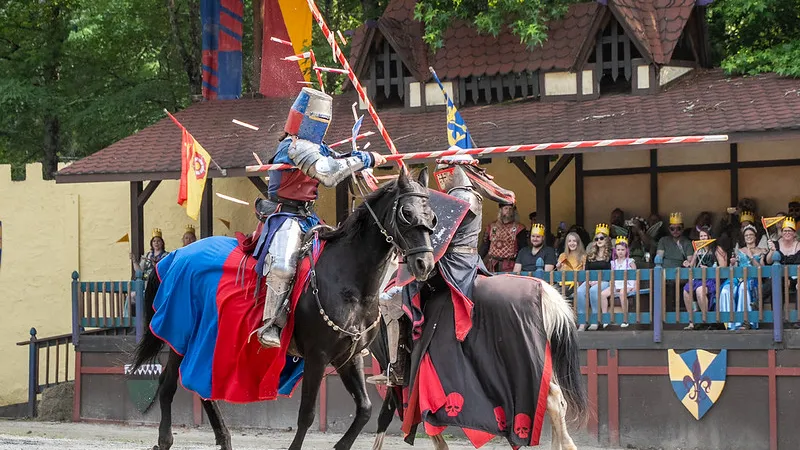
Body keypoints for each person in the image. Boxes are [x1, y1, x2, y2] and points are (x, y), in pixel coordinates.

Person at [253, 88, 386, 348]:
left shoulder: (318, 147)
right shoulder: (294, 147)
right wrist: (366, 158)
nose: (320, 125)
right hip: (286, 215)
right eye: (317, 119)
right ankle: (270, 323)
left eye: (324, 120)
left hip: (309, 218)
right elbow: (328, 173)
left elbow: (339, 160)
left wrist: (362, 161)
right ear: (302, 118)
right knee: (283, 266)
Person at [682, 227, 727, 330]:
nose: (702, 238)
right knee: (686, 290)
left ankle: (705, 320)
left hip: (712, 279)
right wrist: (687, 264)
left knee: (699, 291)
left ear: (709, 237)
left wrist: (709, 269)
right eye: (701, 236)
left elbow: (723, 266)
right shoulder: (698, 250)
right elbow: (692, 265)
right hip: (699, 278)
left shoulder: (716, 249)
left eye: (704, 236)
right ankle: (691, 321)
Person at [576, 223, 613, 331]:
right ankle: (582, 322)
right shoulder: (591, 254)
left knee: (593, 291)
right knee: (579, 291)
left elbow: (611, 270)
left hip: (605, 281)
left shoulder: (611, 254)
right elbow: (586, 269)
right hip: (590, 280)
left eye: (601, 238)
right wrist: (589, 280)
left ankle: (595, 320)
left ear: (606, 239)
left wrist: (598, 281)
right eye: (596, 239)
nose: (599, 240)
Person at [479, 201, 527, 272]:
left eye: (511, 209)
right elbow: (484, 247)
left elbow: (523, 249)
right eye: (506, 208)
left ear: (514, 211)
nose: (508, 211)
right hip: (492, 265)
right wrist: (477, 260)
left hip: (510, 265)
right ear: (501, 210)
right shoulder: (491, 227)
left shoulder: (519, 228)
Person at [600, 236, 637, 328]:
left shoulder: (630, 261)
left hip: (627, 284)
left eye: (623, 250)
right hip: (616, 284)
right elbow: (612, 277)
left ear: (626, 250)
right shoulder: (614, 263)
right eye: (618, 249)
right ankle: (605, 317)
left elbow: (636, 275)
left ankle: (625, 318)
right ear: (615, 250)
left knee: (622, 293)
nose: (620, 252)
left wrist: (635, 286)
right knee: (603, 294)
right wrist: (611, 285)